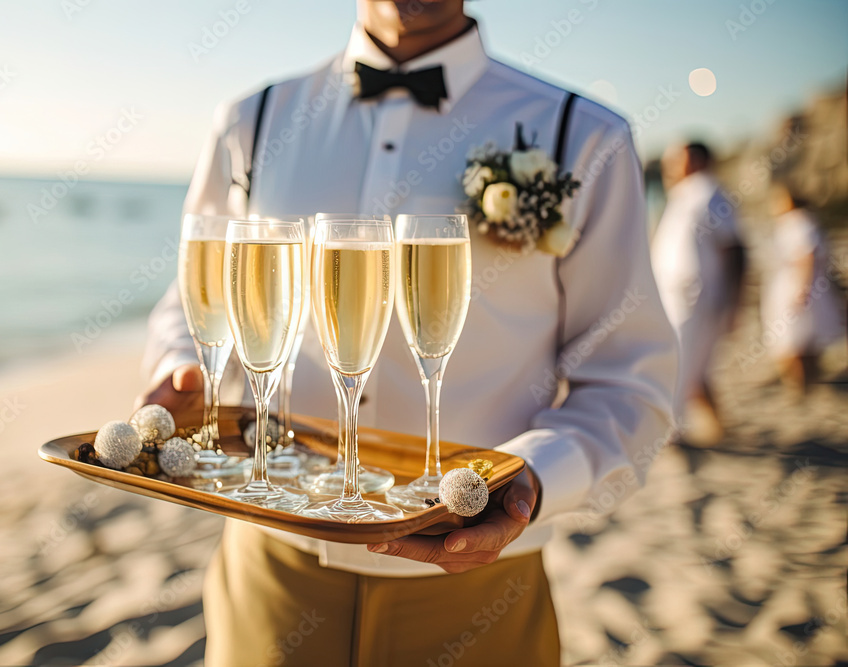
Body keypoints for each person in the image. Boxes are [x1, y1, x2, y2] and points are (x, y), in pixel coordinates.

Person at [141, 1, 677, 664]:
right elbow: (193, 301)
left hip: (481, 592)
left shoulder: (582, 135)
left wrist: (530, 479)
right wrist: (180, 373)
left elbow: (630, 380)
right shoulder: (251, 121)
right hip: (269, 572)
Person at [651, 141, 745, 444]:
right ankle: (714, 427)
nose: (669, 166)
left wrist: (735, 303)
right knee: (689, 364)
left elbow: (734, 250)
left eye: (674, 160)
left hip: (697, 298)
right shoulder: (687, 194)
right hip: (678, 297)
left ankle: (672, 430)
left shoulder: (710, 194)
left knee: (682, 361)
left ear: (694, 160)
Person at [762, 181, 843, 394]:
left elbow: (807, 257)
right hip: (804, 283)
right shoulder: (799, 221)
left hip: (798, 284)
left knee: (793, 339)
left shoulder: (798, 221)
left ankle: (800, 384)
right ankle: (808, 383)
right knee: (803, 339)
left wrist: (802, 288)